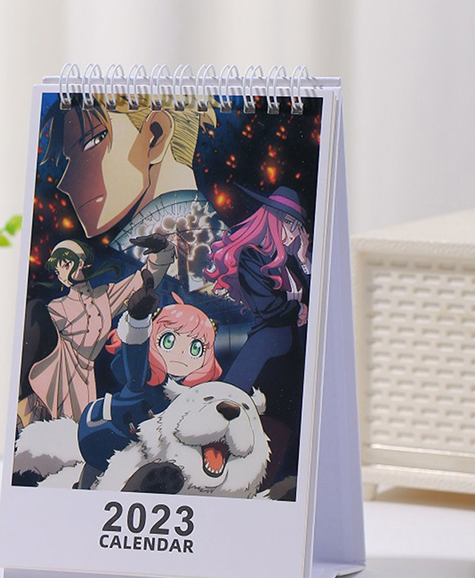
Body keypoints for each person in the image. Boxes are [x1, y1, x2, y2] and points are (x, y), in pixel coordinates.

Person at [205, 185, 312, 482]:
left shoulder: (293, 262)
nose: (294, 232)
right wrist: (298, 308)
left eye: (298, 225)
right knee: (234, 424)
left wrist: (304, 259)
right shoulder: (252, 258)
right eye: (289, 223)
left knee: (278, 436)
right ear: (272, 220)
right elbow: (268, 307)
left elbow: (317, 299)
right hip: (264, 354)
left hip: (291, 359)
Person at [18, 234, 174, 426]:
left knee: (80, 430)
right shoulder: (57, 307)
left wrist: (161, 251)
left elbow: (141, 281)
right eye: (58, 271)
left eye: (66, 265)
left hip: (85, 378)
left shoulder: (104, 297)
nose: (63, 275)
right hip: (61, 369)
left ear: (82, 262)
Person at [76, 283, 222, 488]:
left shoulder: (194, 398)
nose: (182, 353)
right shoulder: (144, 378)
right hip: (112, 444)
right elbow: (135, 354)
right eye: (169, 341)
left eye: (195, 348)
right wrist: (138, 320)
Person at [41, 93, 216, 238]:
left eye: (93, 141)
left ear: (156, 135)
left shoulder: (216, 258)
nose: (64, 184)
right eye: (70, 160)